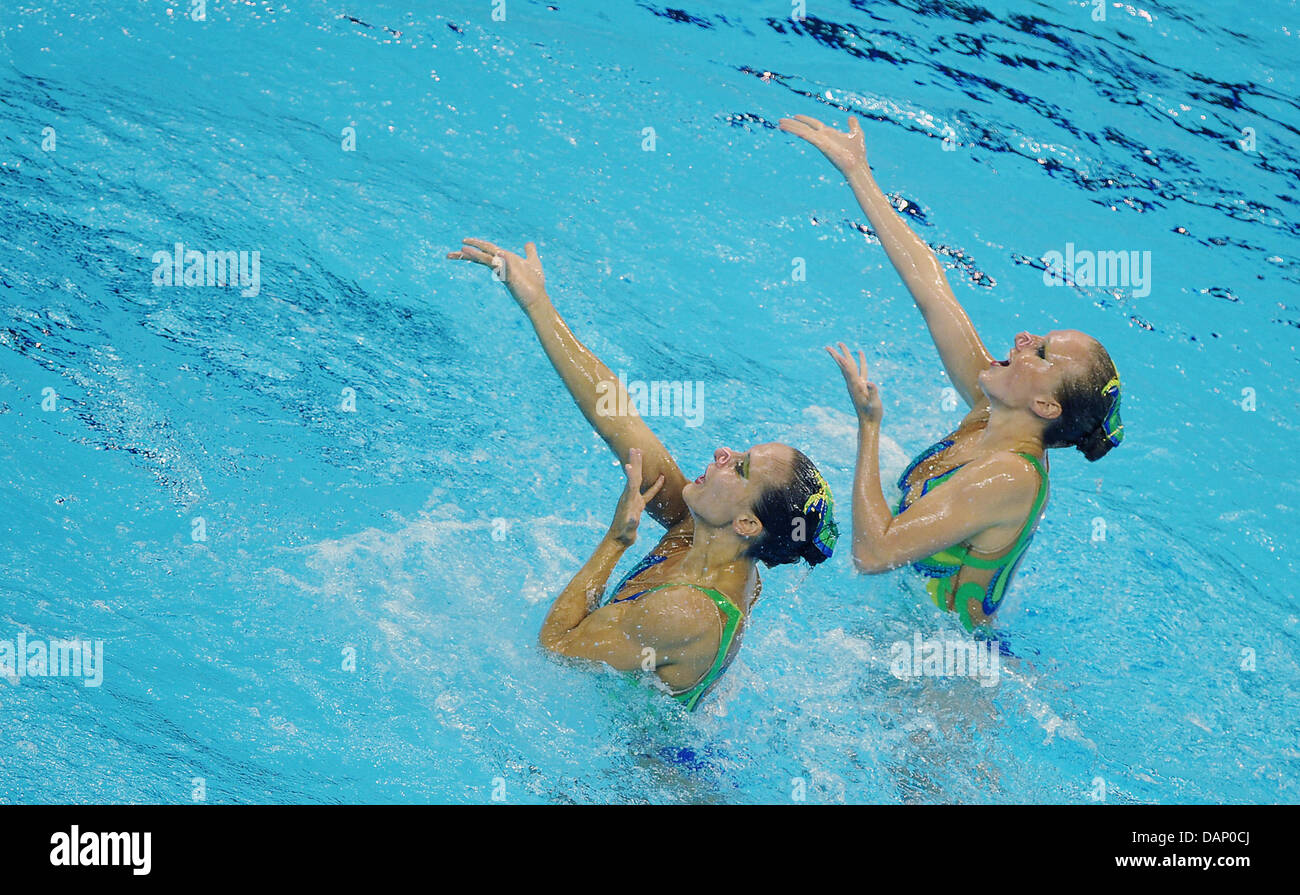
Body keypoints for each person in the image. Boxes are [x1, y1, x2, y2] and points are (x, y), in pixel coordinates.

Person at [446, 237, 839, 709]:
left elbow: (555, 650)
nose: (721, 453)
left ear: (749, 523)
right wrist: (536, 302)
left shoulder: (687, 611)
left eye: (740, 467)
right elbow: (617, 416)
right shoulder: (712, 536)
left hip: (640, 769)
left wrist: (616, 541)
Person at [780, 115, 1124, 633]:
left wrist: (869, 427)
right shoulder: (993, 411)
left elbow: (873, 554)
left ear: (1047, 407)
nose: (1024, 339)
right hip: (907, 634)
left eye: (1044, 353)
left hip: (943, 685)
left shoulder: (1012, 476)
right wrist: (858, 173)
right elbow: (930, 285)